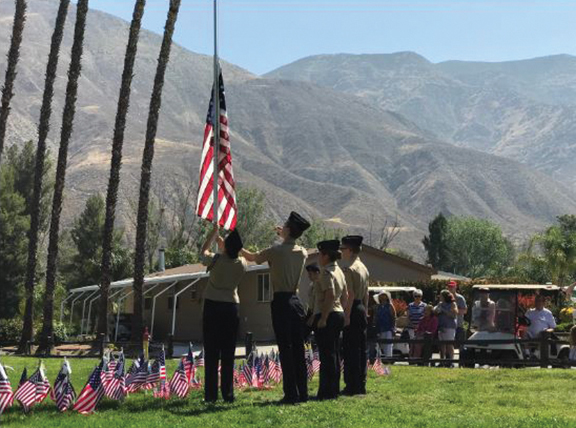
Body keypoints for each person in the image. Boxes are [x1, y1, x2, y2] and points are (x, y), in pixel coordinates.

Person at [241, 211, 311, 404]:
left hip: (281, 301)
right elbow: (291, 246)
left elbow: (254, 258)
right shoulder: (302, 252)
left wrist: (238, 248)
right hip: (296, 302)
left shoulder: (275, 251)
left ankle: (291, 394)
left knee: (285, 349)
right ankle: (303, 393)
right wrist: (286, 236)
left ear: (287, 229)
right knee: (298, 348)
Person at [200, 225, 247, 403]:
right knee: (228, 352)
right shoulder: (242, 263)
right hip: (231, 307)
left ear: (226, 247)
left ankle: (210, 396)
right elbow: (235, 252)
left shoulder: (216, 260)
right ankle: (228, 394)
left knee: (212, 352)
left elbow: (203, 252)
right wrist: (225, 245)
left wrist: (213, 234)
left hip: (213, 306)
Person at [313, 239, 347, 400]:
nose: (318, 257)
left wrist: (324, 317)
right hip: (338, 312)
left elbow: (330, 294)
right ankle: (334, 389)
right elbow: (345, 295)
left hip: (329, 314)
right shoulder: (339, 271)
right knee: (333, 353)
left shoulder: (326, 272)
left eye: (320, 253)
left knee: (326, 355)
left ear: (326, 255)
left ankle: (326, 391)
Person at [341, 235, 370, 396]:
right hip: (361, 308)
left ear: (350, 250)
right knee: (361, 349)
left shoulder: (349, 269)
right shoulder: (363, 267)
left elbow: (350, 294)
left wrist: (347, 315)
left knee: (350, 349)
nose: (341, 251)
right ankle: (361, 383)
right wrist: (365, 309)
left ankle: (351, 385)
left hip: (352, 308)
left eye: (343, 248)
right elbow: (366, 292)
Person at [434, 290, 458, 364]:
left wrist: (443, 310)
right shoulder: (440, 304)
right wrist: (436, 310)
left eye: (441, 295)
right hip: (441, 326)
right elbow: (435, 311)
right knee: (442, 345)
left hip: (449, 327)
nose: (439, 297)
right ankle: (442, 361)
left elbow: (453, 315)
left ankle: (451, 361)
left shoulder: (452, 304)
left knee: (449, 344)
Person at [374, 291, 396, 358]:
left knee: (388, 345)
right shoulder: (378, 307)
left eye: (384, 295)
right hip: (380, 328)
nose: (383, 297)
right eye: (381, 296)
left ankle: (388, 358)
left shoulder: (390, 306)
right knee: (379, 345)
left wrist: (393, 328)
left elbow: (393, 317)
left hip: (388, 328)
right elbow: (376, 317)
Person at [407, 289, 426, 357]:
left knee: (419, 344)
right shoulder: (410, 305)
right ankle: (411, 357)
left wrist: (419, 326)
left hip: (421, 328)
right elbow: (408, 317)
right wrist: (413, 325)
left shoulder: (424, 305)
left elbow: (425, 317)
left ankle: (418, 357)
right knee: (412, 343)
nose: (417, 298)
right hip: (411, 327)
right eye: (416, 296)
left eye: (419, 296)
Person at [305, 264, 321, 338]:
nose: (309, 276)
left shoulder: (320, 285)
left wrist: (313, 317)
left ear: (317, 273)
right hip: (311, 311)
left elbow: (318, 303)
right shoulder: (312, 285)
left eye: (310, 274)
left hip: (317, 313)